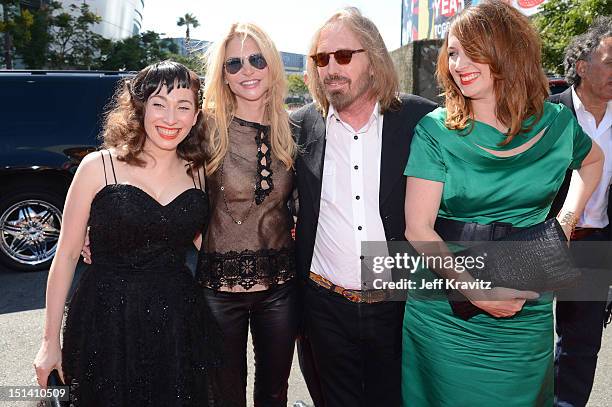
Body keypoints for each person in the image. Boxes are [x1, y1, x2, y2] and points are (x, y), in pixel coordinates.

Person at [402, 2, 603, 406]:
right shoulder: (435, 130)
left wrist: (565, 220)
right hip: (447, 308)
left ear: (507, 52)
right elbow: (417, 229)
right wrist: (475, 291)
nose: (458, 63)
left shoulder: (557, 123)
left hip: (526, 303)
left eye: (471, 50)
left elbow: (593, 161)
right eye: (453, 52)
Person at [33, 61, 222, 406]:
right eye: (158, 104)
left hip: (176, 322)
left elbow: (207, 244)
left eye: (183, 106)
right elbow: (66, 256)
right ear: (140, 108)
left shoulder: (199, 173)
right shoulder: (98, 167)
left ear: (195, 117)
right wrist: (49, 342)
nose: (170, 118)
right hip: (104, 320)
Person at [291, 7, 436, 406]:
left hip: (398, 305)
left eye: (342, 56)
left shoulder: (420, 120)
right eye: (321, 59)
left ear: (373, 59)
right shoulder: (299, 126)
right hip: (324, 307)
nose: (330, 68)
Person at [197, 22, 299, 407]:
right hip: (218, 291)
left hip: (281, 288)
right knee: (223, 397)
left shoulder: (294, 127)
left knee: (274, 392)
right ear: (222, 76)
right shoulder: (203, 129)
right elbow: (162, 183)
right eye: (234, 64)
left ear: (272, 64)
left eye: (256, 59)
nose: (247, 71)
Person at [548, 16, 612, 407]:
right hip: (542, 240)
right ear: (582, 66)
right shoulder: (546, 115)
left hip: (592, 246)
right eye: (610, 60)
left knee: (581, 345)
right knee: (527, 338)